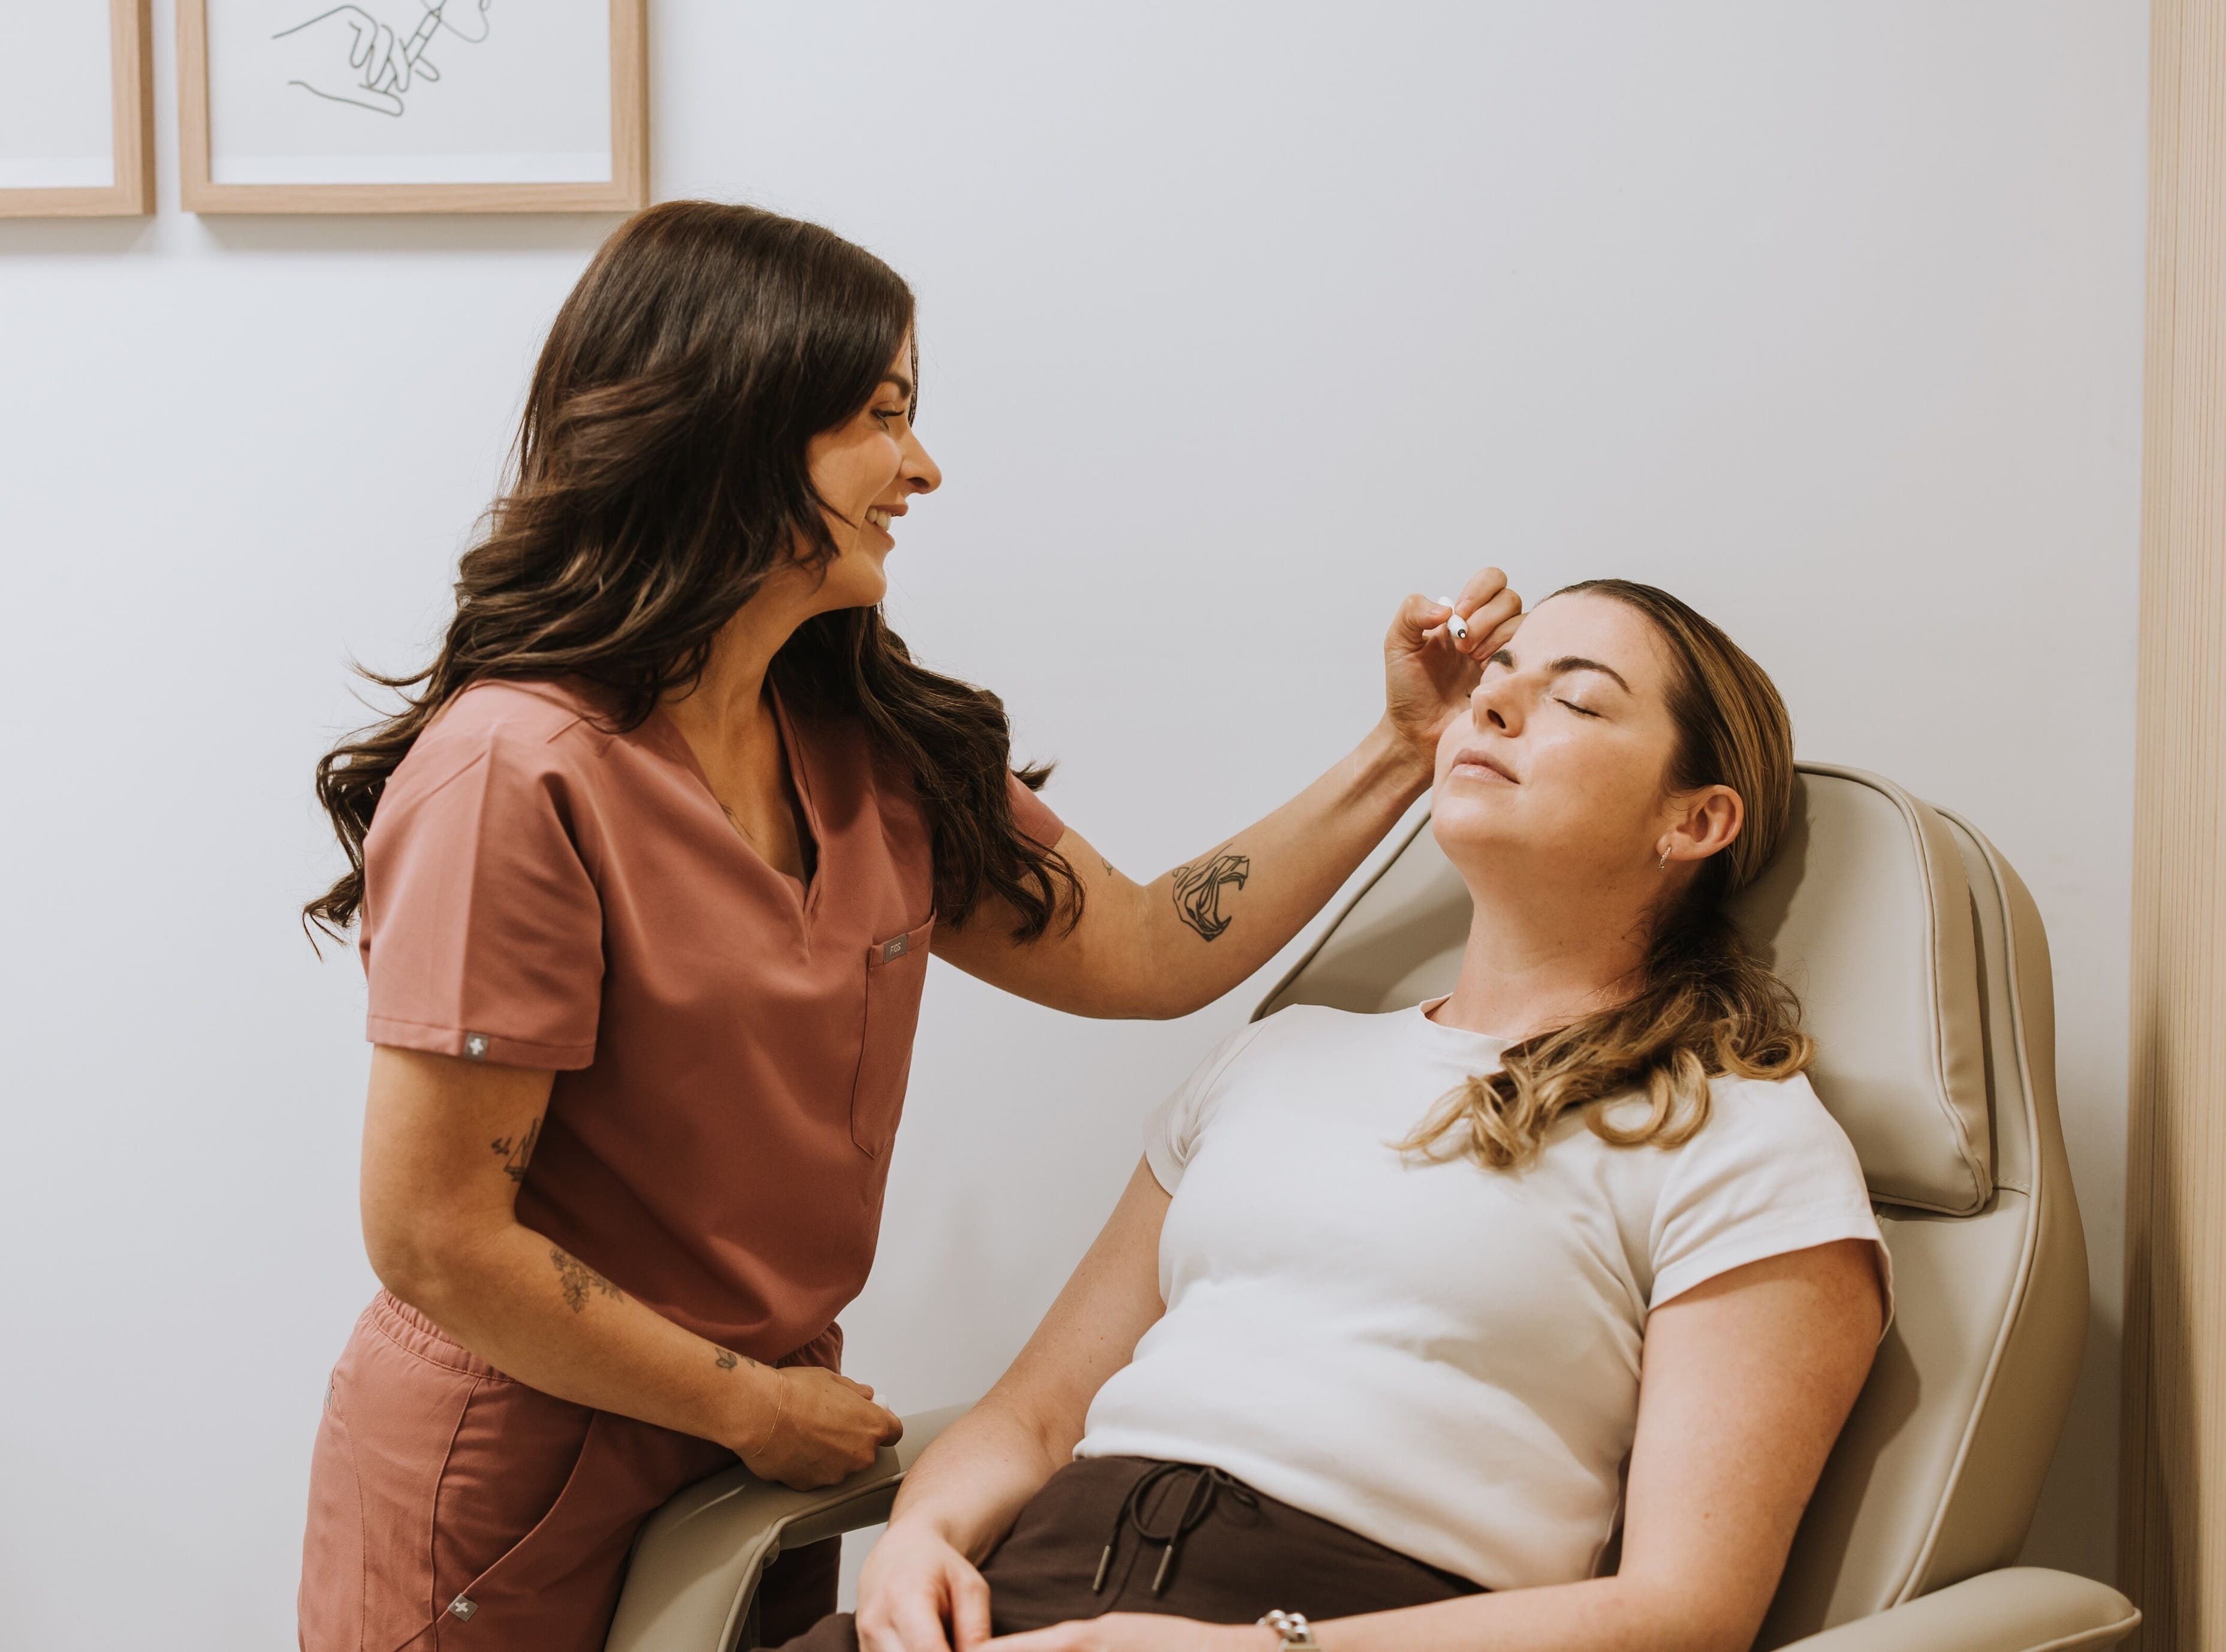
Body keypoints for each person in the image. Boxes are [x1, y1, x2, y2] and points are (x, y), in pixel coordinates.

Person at [294, 198, 1522, 1652]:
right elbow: (436, 1237)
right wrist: (751, 1406)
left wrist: (1398, 749)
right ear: (738, 427)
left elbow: (1142, 946)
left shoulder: (861, 745)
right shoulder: (517, 770)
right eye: (882, 418)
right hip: (526, 1455)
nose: (923, 468)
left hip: (745, 1450)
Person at [793, 580, 1892, 1652]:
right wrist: (919, 1541)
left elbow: (1683, 1614)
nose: (1497, 703)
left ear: (1694, 821)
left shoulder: (1735, 1137)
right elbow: (1033, 1419)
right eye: (1499, 674)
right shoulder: (1278, 1057)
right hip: (1011, 1598)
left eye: (1580, 699)